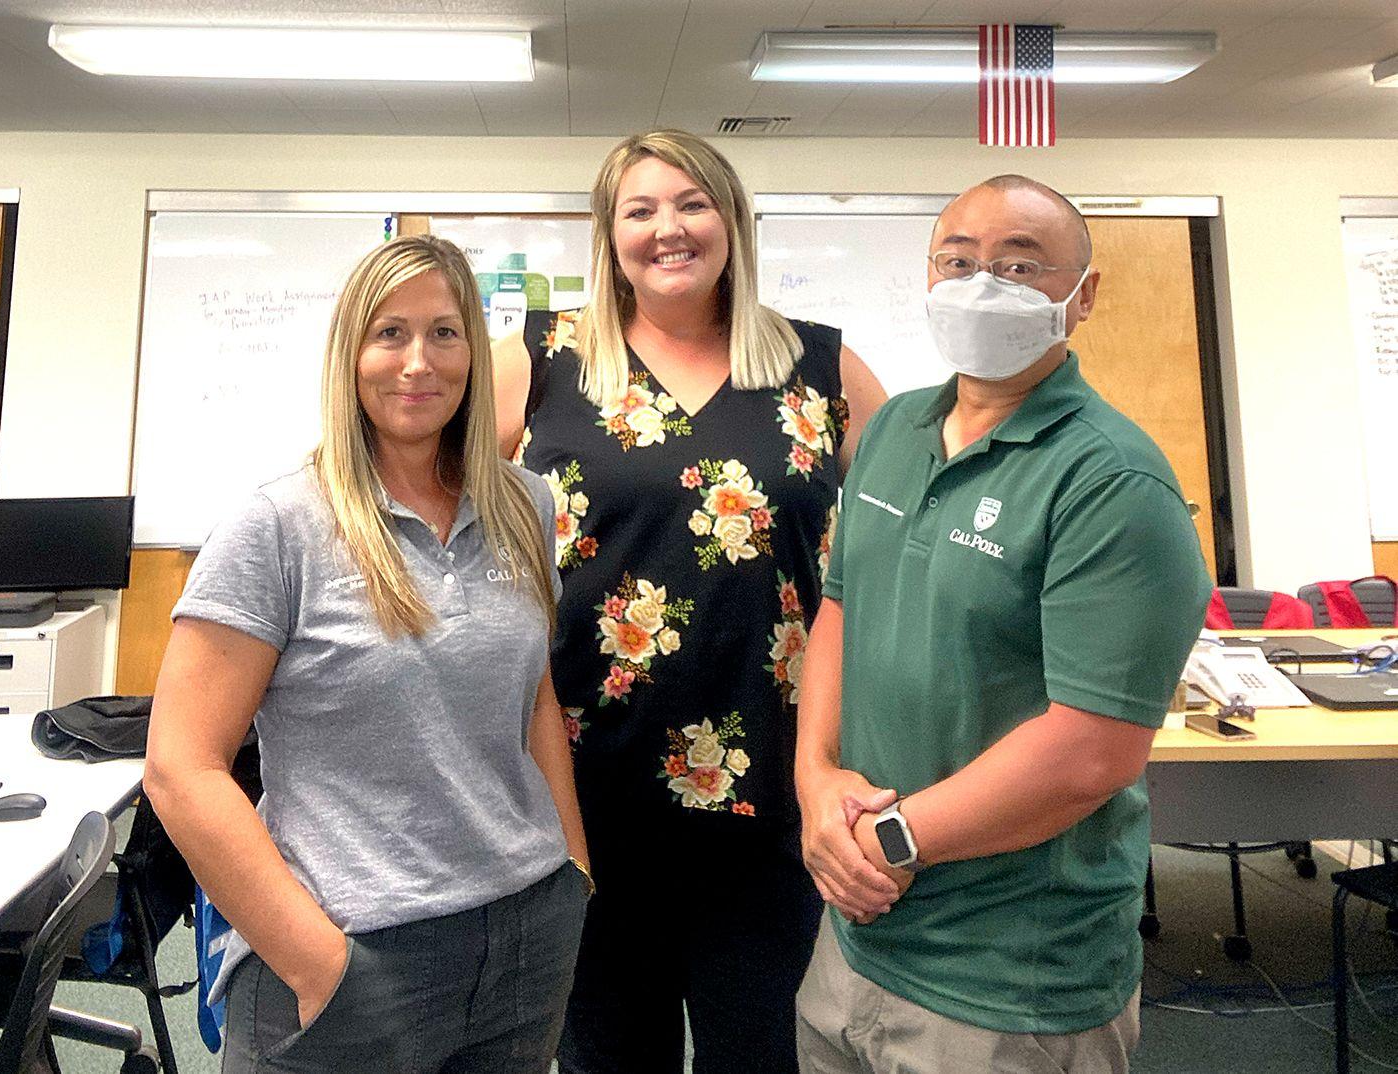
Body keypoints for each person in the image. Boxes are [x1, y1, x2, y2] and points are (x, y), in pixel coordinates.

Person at [794, 175, 1212, 1074]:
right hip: (857, 937)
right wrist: (815, 780)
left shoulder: (1111, 482)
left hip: (1010, 977)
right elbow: (839, 607)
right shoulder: (898, 427)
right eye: (959, 262)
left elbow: (1090, 753)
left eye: (1021, 268)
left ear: (1082, 296)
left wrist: (893, 841)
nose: (984, 285)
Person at [145, 234, 591, 1074]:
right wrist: (318, 963)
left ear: (476, 352)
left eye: (445, 333)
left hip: (526, 936)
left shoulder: (527, 504)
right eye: (389, 333)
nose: (418, 361)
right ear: (350, 353)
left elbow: (535, 696)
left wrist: (571, 868)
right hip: (355, 954)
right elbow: (180, 767)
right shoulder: (278, 526)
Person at [493, 129, 887, 1074]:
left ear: (732, 221)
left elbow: (909, 532)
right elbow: (421, 495)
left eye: (693, 204)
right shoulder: (544, 363)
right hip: (583, 799)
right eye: (641, 210)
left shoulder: (820, 368)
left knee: (763, 1055)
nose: (668, 229)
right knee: (604, 1055)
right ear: (609, 234)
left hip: (773, 797)